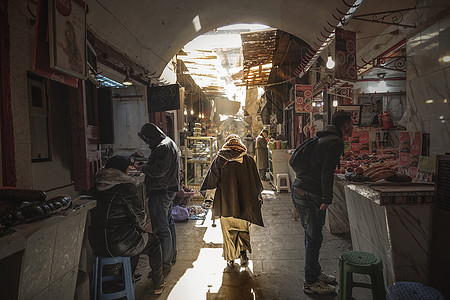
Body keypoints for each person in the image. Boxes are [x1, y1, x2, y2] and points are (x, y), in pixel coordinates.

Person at [291, 111, 353, 295]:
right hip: (310, 194)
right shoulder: (335, 141)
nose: (353, 127)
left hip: (301, 190)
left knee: (312, 237)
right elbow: (326, 172)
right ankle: (310, 282)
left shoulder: (323, 138)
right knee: (314, 238)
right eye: (352, 123)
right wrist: (328, 199)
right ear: (345, 125)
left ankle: (315, 273)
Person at [88, 155, 166, 295]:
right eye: (127, 168)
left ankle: (125, 277)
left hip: (96, 242)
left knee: (135, 239)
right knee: (153, 242)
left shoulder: (95, 185)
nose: (129, 171)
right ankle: (158, 283)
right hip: (118, 244)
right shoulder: (126, 187)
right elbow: (140, 218)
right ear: (122, 171)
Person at [200, 134, 264, 268]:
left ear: (226, 145)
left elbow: (211, 182)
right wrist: (257, 199)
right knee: (243, 230)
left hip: (225, 205)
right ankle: (243, 253)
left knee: (228, 233)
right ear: (240, 145)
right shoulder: (248, 160)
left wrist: (209, 200)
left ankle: (230, 259)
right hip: (245, 204)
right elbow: (257, 184)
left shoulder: (219, 159)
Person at [136, 123, 180, 274]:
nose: (147, 143)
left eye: (147, 140)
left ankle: (164, 265)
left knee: (162, 230)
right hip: (167, 189)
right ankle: (170, 257)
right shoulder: (168, 143)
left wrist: (144, 168)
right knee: (168, 224)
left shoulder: (162, 146)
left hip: (161, 191)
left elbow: (159, 171)